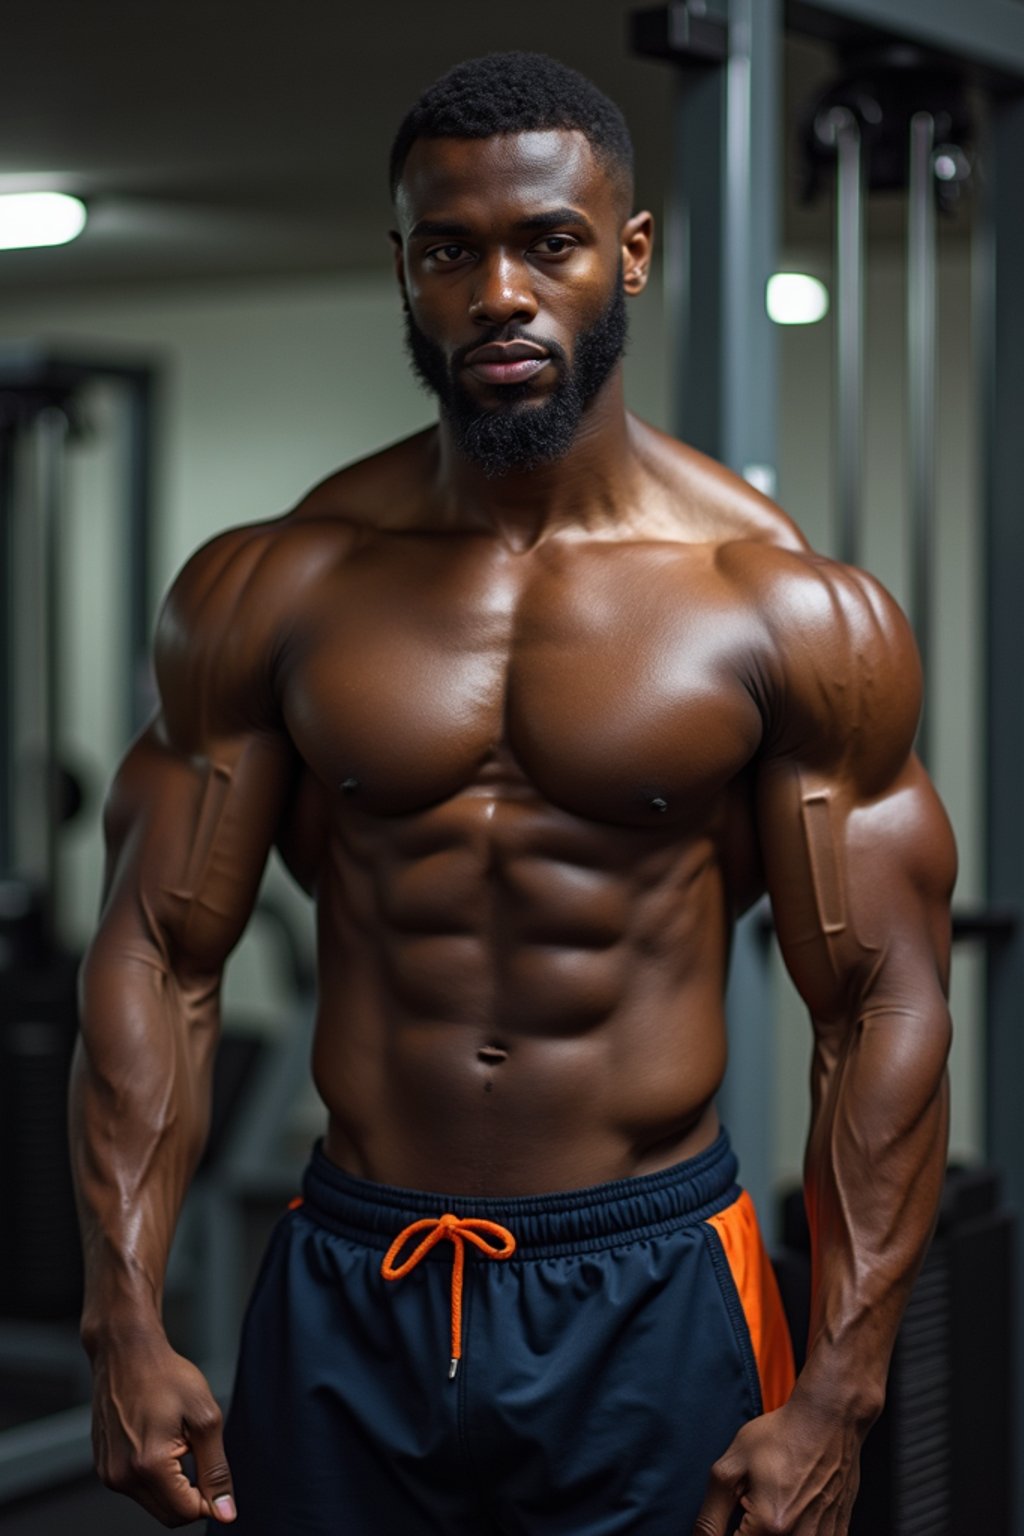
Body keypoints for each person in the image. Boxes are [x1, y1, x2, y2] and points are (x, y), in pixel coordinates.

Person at [69, 50, 956, 1536]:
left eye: (547, 242)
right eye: (449, 250)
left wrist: (843, 1385)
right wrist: (123, 1320)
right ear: (403, 269)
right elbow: (160, 951)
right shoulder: (272, 585)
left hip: (652, 1277)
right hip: (355, 1269)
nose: (499, 294)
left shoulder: (781, 608)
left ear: (630, 252)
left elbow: (882, 999)